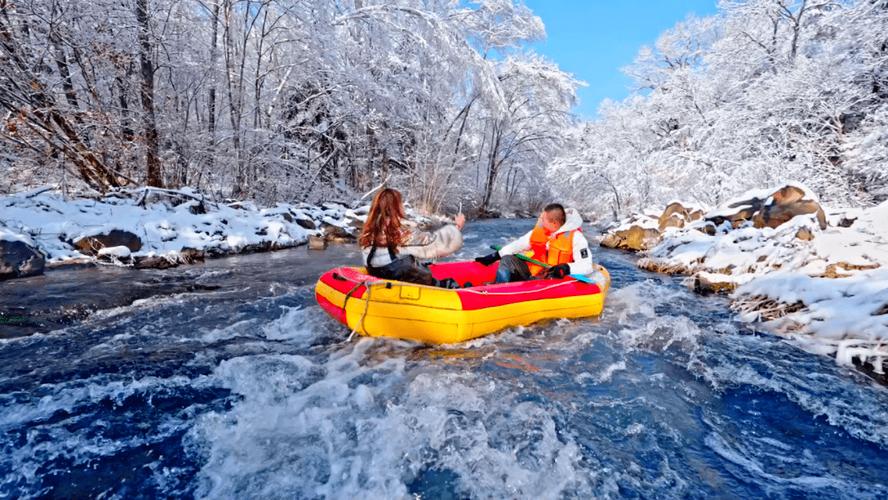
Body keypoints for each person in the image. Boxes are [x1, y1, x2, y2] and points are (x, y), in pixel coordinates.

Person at [359, 188, 465, 287]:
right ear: (396, 207)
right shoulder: (401, 231)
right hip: (402, 282)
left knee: (417, 262)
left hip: (383, 279)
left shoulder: (368, 230)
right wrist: (457, 227)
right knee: (449, 284)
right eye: (400, 203)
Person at [475, 203, 593, 283]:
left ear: (554, 223)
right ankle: (499, 289)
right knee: (507, 259)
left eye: (543, 219)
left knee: (538, 280)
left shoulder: (577, 238)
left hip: (553, 278)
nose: (540, 221)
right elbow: (518, 245)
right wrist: (495, 256)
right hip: (535, 272)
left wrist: (566, 268)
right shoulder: (541, 232)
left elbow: (586, 266)